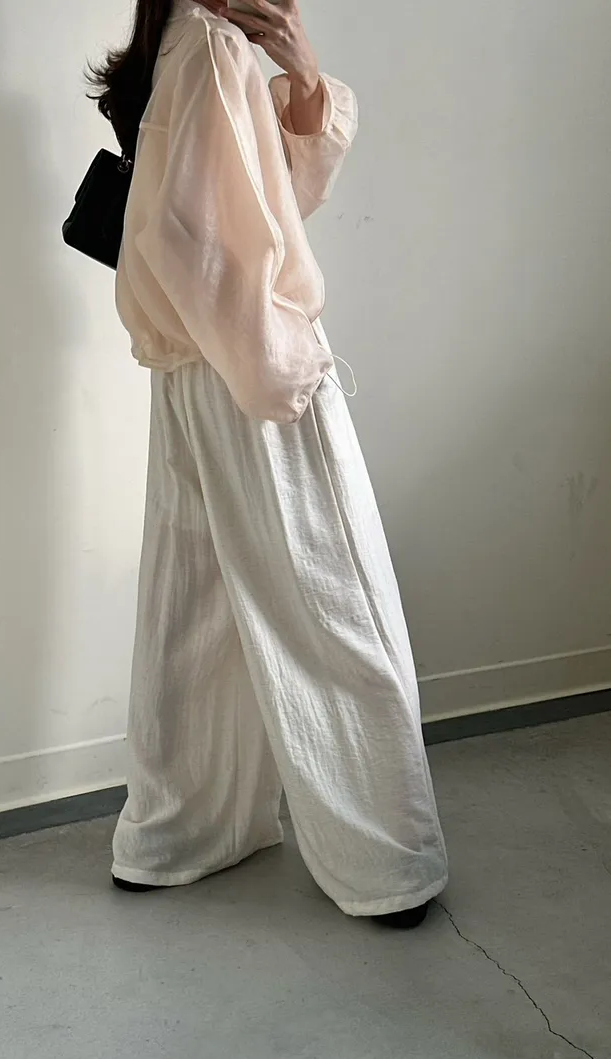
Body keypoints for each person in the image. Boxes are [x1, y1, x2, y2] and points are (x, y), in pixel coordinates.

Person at [89, 0, 448, 929]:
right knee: (334, 598)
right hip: (245, 364)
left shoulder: (181, 39)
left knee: (197, 603)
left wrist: (306, 77)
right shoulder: (212, 47)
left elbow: (263, 200)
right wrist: (279, 366)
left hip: (188, 370)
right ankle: (384, 860)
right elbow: (193, 237)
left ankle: (178, 832)